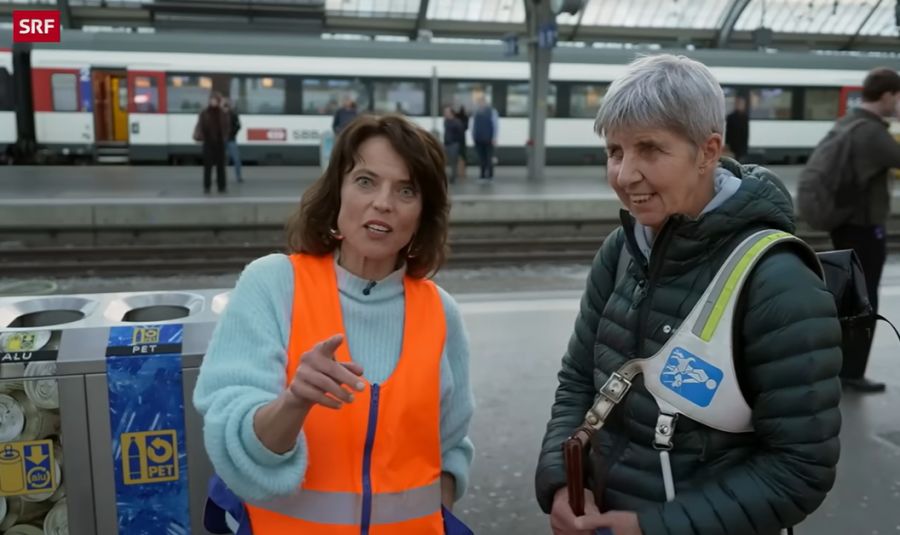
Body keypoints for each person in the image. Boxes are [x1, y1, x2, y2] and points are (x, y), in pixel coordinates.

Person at [535, 54, 842, 535]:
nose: (625, 175)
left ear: (707, 151)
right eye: (615, 151)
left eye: (650, 149)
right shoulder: (621, 249)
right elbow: (578, 379)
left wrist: (654, 526)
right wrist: (561, 483)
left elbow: (800, 469)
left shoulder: (778, 282)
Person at [194, 113, 475, 534]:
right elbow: (231, 444)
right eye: (366, 181)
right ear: (337, 192)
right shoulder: (272, 285)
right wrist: (293, 402)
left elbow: (451, 447)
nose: (383, 201)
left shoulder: (441, 312)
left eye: (406, 190)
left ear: (422, 214)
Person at [828, 67, 900, 393]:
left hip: (843, 225)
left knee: (847, 299)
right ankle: (853, 372)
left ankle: (841, 367)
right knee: (865, 301)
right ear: (887, 96)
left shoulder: (847, 123)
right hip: (865, 228)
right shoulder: (872, 133)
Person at [194, 92, 230, 194]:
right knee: (207, 166)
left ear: (218, 101)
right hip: (208, 142)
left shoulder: (223, 113)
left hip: (220, 143)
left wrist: (225, 136)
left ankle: (221, 186)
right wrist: (201, 136)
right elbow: (200, 125)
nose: (213, 102)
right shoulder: (204, 113)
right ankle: (207, 186)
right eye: (211, 100)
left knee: (221, 166)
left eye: (215, 100)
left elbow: (227, 126)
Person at [471, 96, 498, 182]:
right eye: (479, 102)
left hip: (489, 139)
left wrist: (494, 137)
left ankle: (490, 176)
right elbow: (473, 126)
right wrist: (473, 136)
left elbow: (496, 125)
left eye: (482, 102)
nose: (480, 103)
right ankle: (482, 176)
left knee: (489, 158)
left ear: (485, 102)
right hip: (478, 139)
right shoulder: (476, 112)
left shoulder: (492, 112)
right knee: (481, 158)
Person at [222, 98, 243, 184]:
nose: (226, 108)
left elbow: (238, 126)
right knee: (222, 160)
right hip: (222, 140)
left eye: (227, 106)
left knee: (236, 159)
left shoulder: (233, 114)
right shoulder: (220, 115)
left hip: (230, 139)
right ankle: (221, 176)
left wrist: (232, 133)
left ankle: (238, 177)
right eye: (224, 106)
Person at [443, 106, 465, 184]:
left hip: (454, 144)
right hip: (446, 144)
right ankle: (445, 176)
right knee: (444, 161)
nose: (445, 113)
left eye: (446, 112)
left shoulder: (457, 122)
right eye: (445, 112)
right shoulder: (446, 121)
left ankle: (453, 177)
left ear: (451, 113)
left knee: (453, 162)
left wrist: (456, 142)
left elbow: (461, 134)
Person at [725, 95, 749, 162]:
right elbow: (728, 132)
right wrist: (727, 143)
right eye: (738, 103)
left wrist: (746, 146)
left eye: (742, 104)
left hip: (741, 144)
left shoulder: (745, 117)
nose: (740, 105)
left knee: (741, 161)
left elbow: (746, 132)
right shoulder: (730, 117)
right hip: (733, 144)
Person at [455, 105, 470, 179]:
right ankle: (461, 172)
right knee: (462, 155)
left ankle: (461, 172)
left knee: (461, 155)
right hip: (461, 139)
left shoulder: (456, 117)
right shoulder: (465, 117)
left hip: (458, 139)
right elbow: (466, 127)